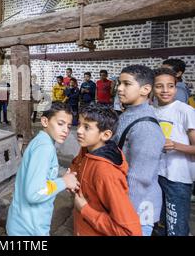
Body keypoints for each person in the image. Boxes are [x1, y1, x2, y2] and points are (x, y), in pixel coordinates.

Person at [6, 102, 80, 236]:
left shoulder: (40, 141)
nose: (66, 130)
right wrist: (64, 182)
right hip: (29, 229)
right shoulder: (45, 148)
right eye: (60, 123)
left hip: (22, 222)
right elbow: (35, 193)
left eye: (69, 126)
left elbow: (39, 182)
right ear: (45, 121)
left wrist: (61, 182)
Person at [70, 104, 142, 236]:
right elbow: (76, 165)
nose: (79, 131)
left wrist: (85, 209)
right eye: (79, 124)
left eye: (86, 127)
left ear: (106, 135)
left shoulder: (106, 173)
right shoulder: (87, 148)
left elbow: (129, 232)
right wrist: (72, 177)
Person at [113, 65, 165, 236]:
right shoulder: (129, 114)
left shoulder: (146, 127)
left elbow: (139, 179)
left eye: (127, 84)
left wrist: (123, 215)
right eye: (119, 83)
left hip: (136, 211)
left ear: (145, 89)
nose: (119, 88)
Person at [152, 67, 195, 236]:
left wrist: (175, 145)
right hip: (156, 175)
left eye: (170, 86)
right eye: (159, 86)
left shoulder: (185, 111)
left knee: (176, 225)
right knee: (160, 224)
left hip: (177, 178)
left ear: (176, 88)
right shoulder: (152, 111)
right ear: (151, 88)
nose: (165, 90)